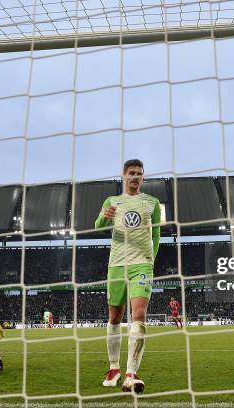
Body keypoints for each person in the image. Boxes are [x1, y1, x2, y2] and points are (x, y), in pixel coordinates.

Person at [95, 159, 161, 393]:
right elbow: (97, 225)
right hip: (116, 265)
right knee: (114, 317)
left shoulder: (152, 203)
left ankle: (131, 373)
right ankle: (114, 368)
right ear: (123, 175)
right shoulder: (112, 201)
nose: (135, 177)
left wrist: (151, 260)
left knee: (139, 316)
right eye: (132, 173)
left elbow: (156, 234)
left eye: (139, 174)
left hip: (141, 266)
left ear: (143, 177)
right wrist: (105, 216)